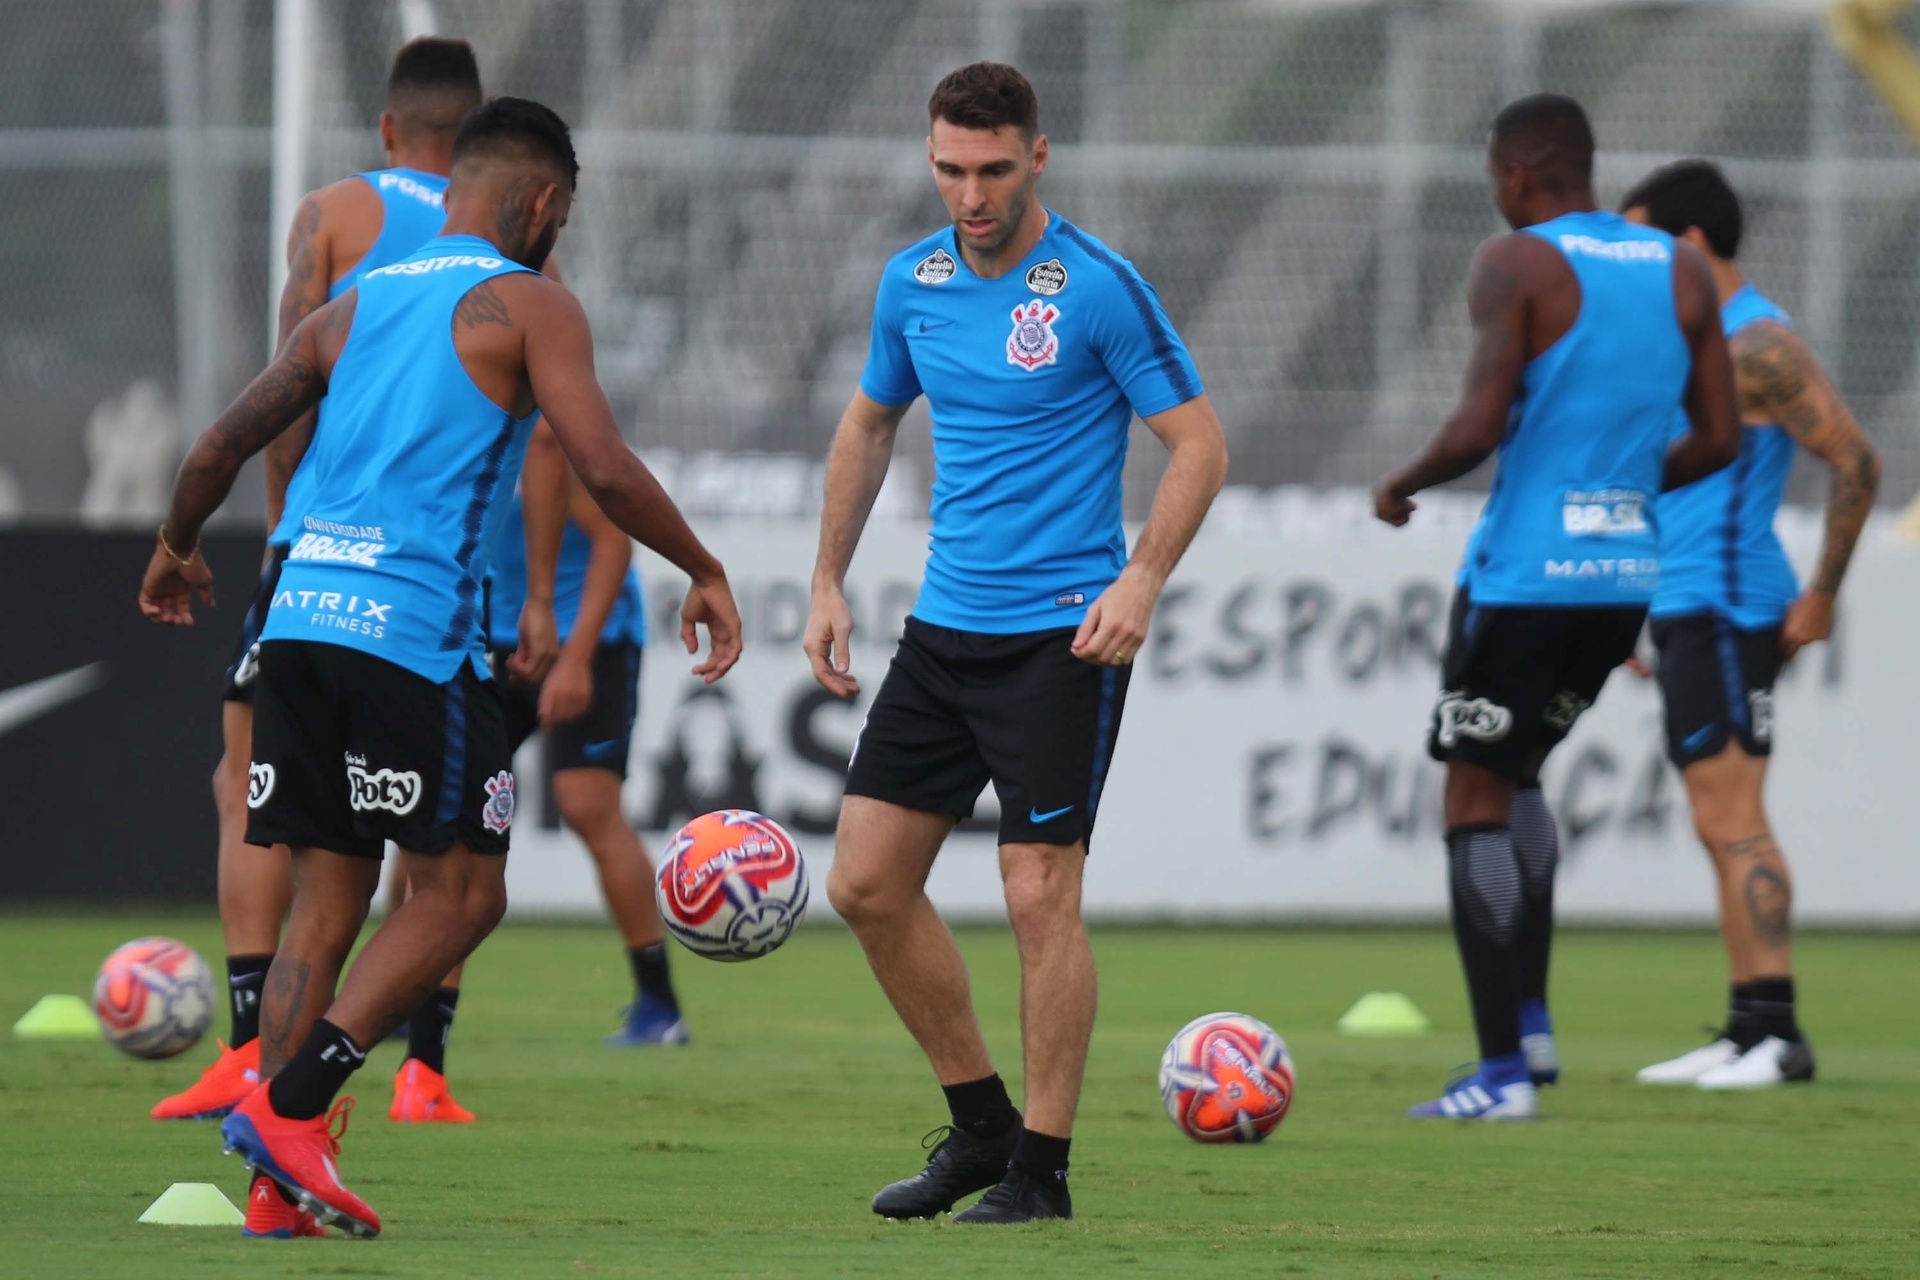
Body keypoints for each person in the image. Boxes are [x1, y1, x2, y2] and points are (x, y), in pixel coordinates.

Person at [138, 97, 741, 1239]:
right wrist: (702, 567)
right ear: (545, 205)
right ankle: (294, 1107)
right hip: (410, 635)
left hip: (296, 621)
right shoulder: (530, 304)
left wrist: (175, 550)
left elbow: (223, 439)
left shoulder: (351, 308)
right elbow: (602, 464)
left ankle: (276, 1193)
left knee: (332, 893)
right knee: (465, 889)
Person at [805, 62, 1227, 1223]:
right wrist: (828, 580)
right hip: (945, 632)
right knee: (864, 883)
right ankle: (981, 1124)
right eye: (950, 169)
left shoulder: (1097, 288)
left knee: (1038, 890)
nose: (970, 192)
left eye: (993, 169)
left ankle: (1041, 1168)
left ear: (1038, 157)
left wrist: (1140, 576)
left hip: (1064, 639)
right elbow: (870, 420)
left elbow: (1198, 446)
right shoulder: (914, 281)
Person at [149, 38, 532, 1139]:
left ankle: (254, 1073)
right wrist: (543, 594)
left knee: (280, 827)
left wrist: (278, 545)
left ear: (387, 131)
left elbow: (270, 406)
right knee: (448, 866)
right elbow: (555, 451)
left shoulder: (332, 220)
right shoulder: (520, 277)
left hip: (312, 574)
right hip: (438, 599)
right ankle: (393, 1077)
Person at [1370, 94, 1740, 1121]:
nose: (1497, 194)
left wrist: (1398, 482)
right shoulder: (1680, 268)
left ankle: (1498, 1073)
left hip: (1526, 578)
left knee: (1471, 799)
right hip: (1623, 581)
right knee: (1521, 775)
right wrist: (1616, 493)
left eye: (1496, 176)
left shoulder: (1520, 262)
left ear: (1521, 173)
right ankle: (1528, 1027)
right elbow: (1718, 439)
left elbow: (1478, 422)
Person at [1621, 160, 1880, 1089]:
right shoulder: (1686, 338)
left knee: (1736, 815)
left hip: (1734, 606)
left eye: (1642, 240)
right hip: (1684, 606)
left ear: (1689, 244)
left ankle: (1779, 1033)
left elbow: (1855, 459)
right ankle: (1745, 1027)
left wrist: (1822, 593)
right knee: (1711, 817)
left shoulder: (1758, 341)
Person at [484, 462, 688, 1047]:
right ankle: (407, 996)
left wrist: (575, 659)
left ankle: (659, 1003)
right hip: (492, 635)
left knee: (587, 805)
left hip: (589, 640)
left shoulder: (555, 432)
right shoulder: (462, 413)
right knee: (448, 807)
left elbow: (613, 544)